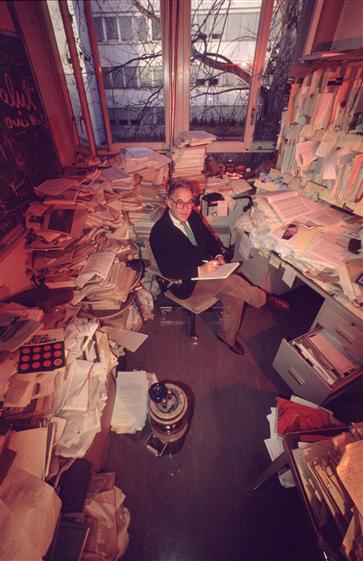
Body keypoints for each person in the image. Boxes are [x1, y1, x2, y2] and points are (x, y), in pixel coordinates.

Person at [150, 179, 290, 355]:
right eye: (180, 203)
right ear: (169, 202)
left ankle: (227, 336)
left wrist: (217, 255)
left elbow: (209, 239)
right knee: (231, 283)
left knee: (235, 295)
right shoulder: (159, 233)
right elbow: (168, 269)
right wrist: (199, 271)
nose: (186, 208)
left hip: (207, 267)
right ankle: (263, 299)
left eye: (190, 202)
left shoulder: (191, 216)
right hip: (184, 281)